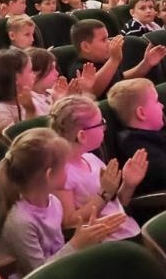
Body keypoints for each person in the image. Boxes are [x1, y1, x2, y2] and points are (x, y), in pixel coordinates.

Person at [0, 128, 126, 279]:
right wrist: (77, 244)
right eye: (64, 167)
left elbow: (59, 250)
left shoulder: (53, 202)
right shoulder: (21, 222)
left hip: (61, 274)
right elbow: (37, 275)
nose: (68, 171)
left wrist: (90, 234)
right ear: (49, 176)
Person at [49, 94, 145, 240]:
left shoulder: (91, 159)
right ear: (82, 136)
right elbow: (69, 222)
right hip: (106, 244)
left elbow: (115, 205)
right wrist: (104, 194)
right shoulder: (62, 173)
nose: (105, 128)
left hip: (130, 232)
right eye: (101, 123)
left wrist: (128, 184)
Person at [0, 47, 35, 134]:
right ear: (15, 77)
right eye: (30, 71)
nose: (34, 75)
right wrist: (30, 111)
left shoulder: (34, 96)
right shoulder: (0, 110)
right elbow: (21, 141)